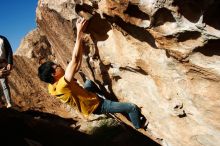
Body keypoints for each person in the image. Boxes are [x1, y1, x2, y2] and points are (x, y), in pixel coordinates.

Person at [38, 18, 147, 129]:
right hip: (97, 106)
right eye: (56, 67)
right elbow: (74, 60)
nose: (60, 66)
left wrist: (80, 47)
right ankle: (139, 126)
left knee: (89, 82)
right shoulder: (62, 86)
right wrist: (79, 33)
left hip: (86, 97)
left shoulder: (52, 87)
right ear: (53, 74)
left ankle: (101, 94)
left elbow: (77, 64)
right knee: (131, 108)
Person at [0, 35, 13, 108]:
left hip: (3, 64)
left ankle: (9, 103)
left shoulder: (3, 39)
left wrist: (10, 62)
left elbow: (9, 51)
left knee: (4, 83)